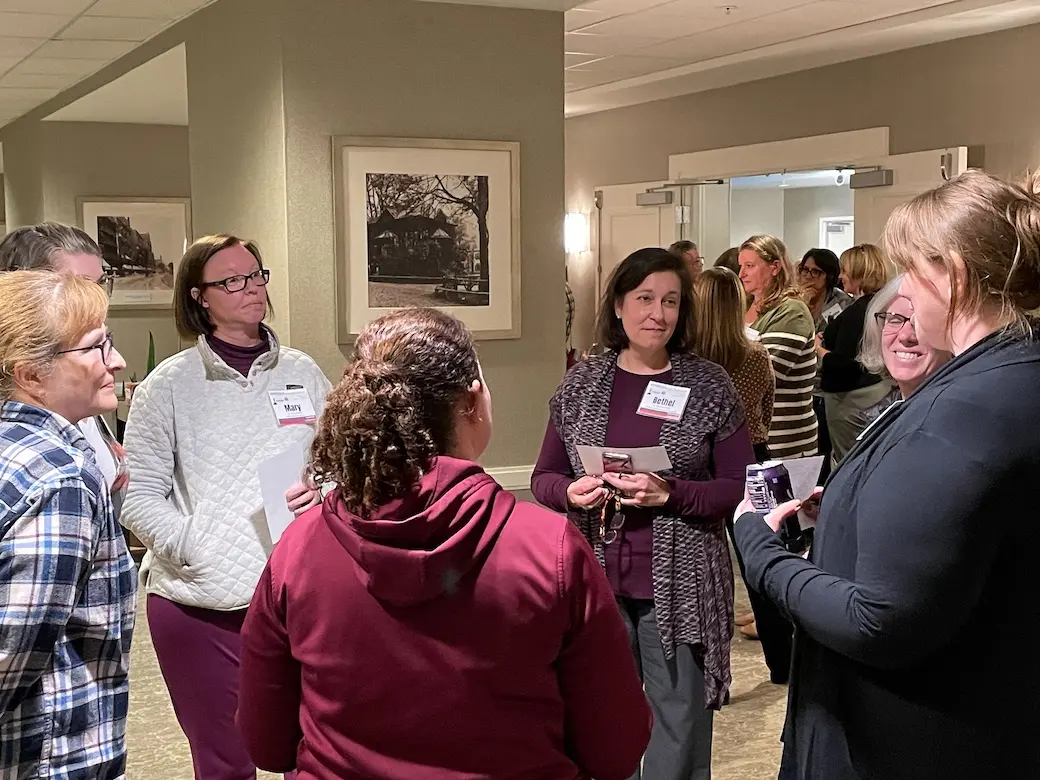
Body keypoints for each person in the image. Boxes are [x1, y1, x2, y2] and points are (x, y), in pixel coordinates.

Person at [236, 308, 651, 780]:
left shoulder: (300, 550)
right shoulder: (550, 549)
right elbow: (615, 748)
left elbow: (266, 744)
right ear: (472, 400)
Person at [734, 168, 1040, 780]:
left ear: (951, 274)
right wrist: (852, 504)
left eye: (911, 274)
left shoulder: (960, 414)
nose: (900, 297)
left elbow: (879, 621)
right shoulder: (1012, 373)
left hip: (907, 736)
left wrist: (760, 548)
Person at [532, 247, 754, 780]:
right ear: (617, 306)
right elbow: (543, 478)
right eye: (645, 298)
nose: (657, 313)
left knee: (678, 720)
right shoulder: (580, 387)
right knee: (605, 719)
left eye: (671, 301)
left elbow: (738, 487)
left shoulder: (708, 386)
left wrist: (670, 494)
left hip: (680, 585)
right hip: (597, 582)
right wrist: (572, 493)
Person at [121, 234, 332, 780]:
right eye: (231, 281)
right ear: (200, 297)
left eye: (256, 275)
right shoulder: (167, 386)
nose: (251, 289)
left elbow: (341, 462)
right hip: (201, 601)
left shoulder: (303, 372)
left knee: (312, 752)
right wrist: (195, 544)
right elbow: (137, 496)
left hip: (300, 593)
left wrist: (325, 490)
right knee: (224, 761)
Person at [0, 271, 137, 778]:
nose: (116, 361)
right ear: (31, 375)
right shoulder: (59, 477)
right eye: (97, 347)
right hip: (48, 757)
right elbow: (11, 656)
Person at [692, 266, 793, 682]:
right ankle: (783, 664)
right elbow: (768, 410)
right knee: (764, 559)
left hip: (700, 463)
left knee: (702, 566)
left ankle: (712, 672)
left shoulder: (686, 363)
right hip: (754, 455)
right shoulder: (757, 355)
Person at [0, 223, 128, 515]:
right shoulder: (56, 477)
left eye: (100, 283)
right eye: (79, 285)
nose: (95, 299)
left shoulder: (75, 384)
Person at [739, 235, 818, 460]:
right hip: (754, 437)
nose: (741, 274)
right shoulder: (744, 306)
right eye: (741, 266)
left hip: (785, 440)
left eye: (750, 266)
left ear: (775, 267)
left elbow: (766, 376)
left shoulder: (791, 311)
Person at [816, 244, 893, 461]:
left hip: (850, 401)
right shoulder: (882, 303)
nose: (841, 276)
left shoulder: (860, 310)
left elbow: (845, 365)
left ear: (859, 272)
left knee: (850, 462)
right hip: (875, 393)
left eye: (845, 270)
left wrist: (819, 349)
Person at [854, 274, 952, 428]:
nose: (906, 336)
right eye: (894, 320)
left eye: (920, 322)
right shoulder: (888, 412)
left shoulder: (950, 422)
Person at [796, 248, 851, 482]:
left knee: (825, 452)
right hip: (803, 386)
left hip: (827, 387)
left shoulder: (842, 303)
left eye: (815, 272)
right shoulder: (795, 300)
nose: (808, 276)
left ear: (829, 275)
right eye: (804, 270)